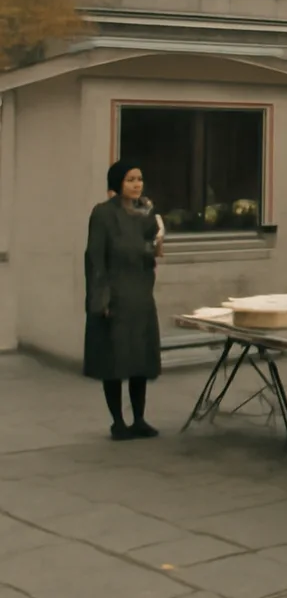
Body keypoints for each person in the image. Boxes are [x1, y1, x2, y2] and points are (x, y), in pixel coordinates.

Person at [84, 161, 163, 441]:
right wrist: (101, 297)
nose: (137, 184)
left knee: (139, 358)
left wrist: (156, 237)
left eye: (139, 179)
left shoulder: (145, 213)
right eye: (130, 179)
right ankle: (118, 422)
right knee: (114, 361)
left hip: (140, 295)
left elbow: (151, 250)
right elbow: (95, 258)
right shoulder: (103, 214)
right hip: (115, 296)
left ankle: (139, 418)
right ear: (118, 183)